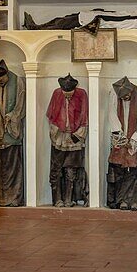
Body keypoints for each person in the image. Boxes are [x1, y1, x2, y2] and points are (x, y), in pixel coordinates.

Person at [0, 60, 25, 206]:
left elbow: (21, 104)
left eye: (1, 78)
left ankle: (13, 198)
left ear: (7, 73)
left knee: (11, 166)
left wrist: (12, 116)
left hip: (11, 134)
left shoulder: (18, 81)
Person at [106, 77, 137, 210]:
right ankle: (121, 200)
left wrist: (134, 141)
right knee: (119, 171)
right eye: (123, 97)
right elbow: (112, 116)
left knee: (136, 172)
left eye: (127, 96)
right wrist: (120, 137)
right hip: (121, 140)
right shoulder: (114, 95)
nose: (125, 98)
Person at [46, 74, 89, 207]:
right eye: (65, 93)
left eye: (70, 93)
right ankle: (57, 199)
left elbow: (84, 115)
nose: (67, 96)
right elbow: (51, 115)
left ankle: (69, 199)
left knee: (72, 169)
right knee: (56, 169)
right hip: (59, 135)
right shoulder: (56, 93)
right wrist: (57, 131)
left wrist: (77, 135)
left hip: (75, 135)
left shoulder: (81, 94)